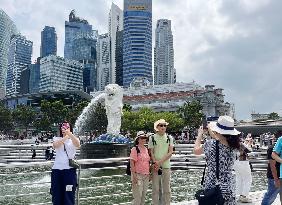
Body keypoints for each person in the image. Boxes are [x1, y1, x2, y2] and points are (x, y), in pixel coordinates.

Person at [194, 115, 241, 205]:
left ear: (218, 131)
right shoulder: (234, 146)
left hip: (212, 185)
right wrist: (211, 131)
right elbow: (220, 140)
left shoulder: (210, 144)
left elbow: (196, 151)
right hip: (228, 186)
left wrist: (200, 134)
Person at [50, 121, 80, 205]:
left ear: (70, 128)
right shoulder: (56, 138)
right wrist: (65, 137)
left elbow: (77, 145)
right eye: (63, 127)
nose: (64, 129)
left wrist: (70, 135)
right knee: (56, 194)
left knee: (69, 194)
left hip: (69, 171)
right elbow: (56, 145)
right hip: (57, 170)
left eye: (67, 127)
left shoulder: (74, 139)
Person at [148, 119, 174, 205]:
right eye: (161, 125)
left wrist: (159, 162)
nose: (163, 127)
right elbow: (151, 152)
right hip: (155, 167)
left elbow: (170, 152)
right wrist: (156, 163)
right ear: (157, 127)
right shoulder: (152, 138)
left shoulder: (169, 138)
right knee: (155, 189)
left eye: (164, 125)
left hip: (166, 166)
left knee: (167, 189)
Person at [130, 131, 150, 205]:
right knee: (138, 197)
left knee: (143, 196)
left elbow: (148, 162)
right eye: (141, 138)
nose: (143, 139)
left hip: (146, 175)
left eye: (144, 138)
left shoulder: (146, 149)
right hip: (137, 175)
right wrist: (134, 176)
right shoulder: (135, 149)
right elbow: (132, 163)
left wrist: (149, 173)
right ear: (138, 139)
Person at [261, 131, 282, 205]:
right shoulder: (272, 148)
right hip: (274, 176)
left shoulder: (272, 147)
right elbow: (272, 165)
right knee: (270, 195)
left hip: (275, 175)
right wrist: (276, 179)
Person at [234, 138, 253, 203]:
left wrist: (247, 143)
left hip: (235, 163)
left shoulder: (231, 143)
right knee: (248, 179)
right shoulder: (240, 144)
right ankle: (244, 196)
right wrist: (248, 144)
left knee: (239, 179)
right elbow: (248, 150)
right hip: (243, 162)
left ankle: (240, 195)